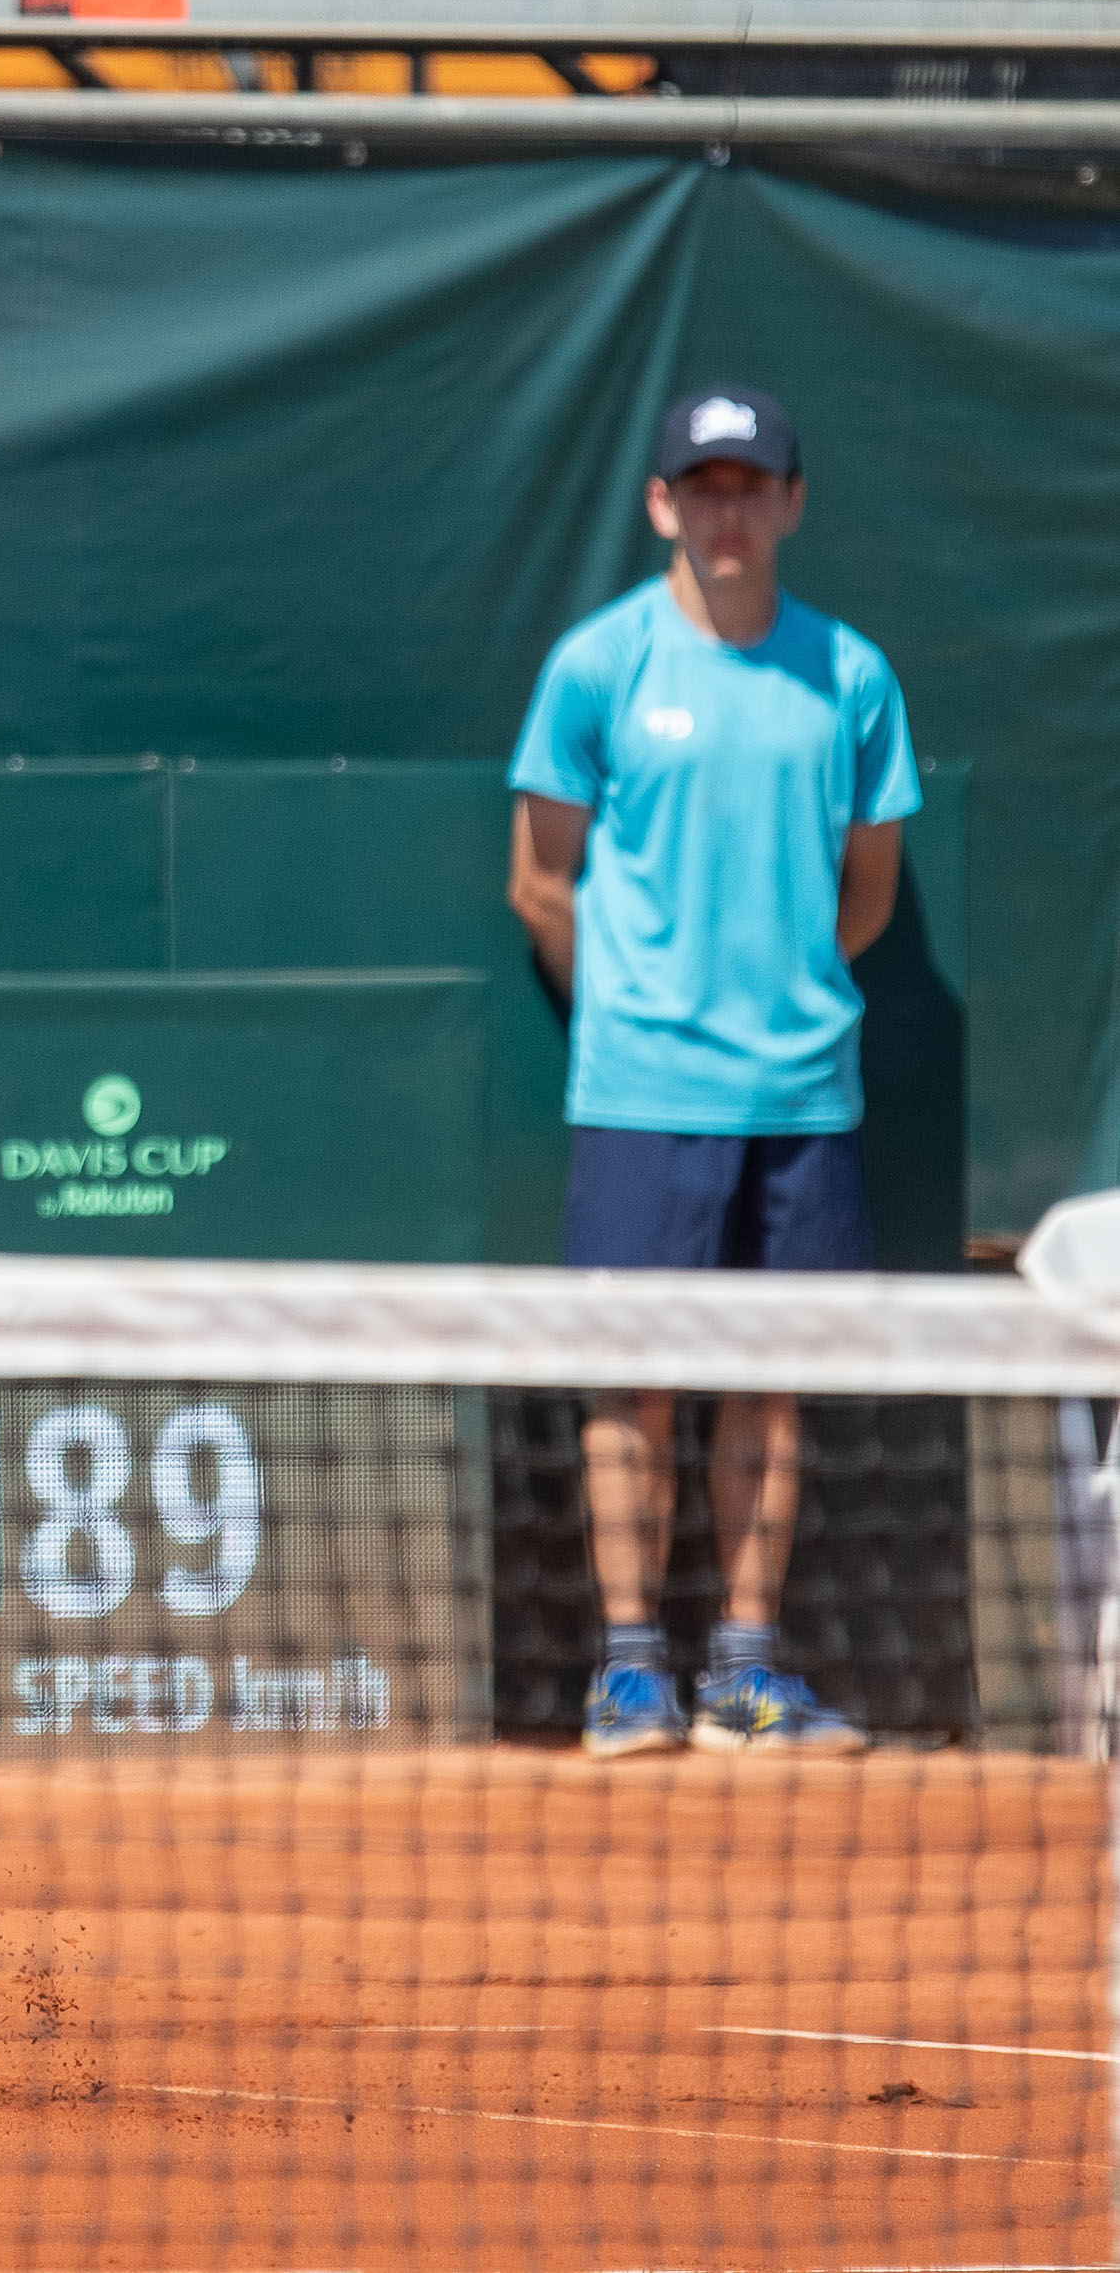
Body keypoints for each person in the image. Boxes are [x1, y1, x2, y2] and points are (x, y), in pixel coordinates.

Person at [505, 386, 917, 1763]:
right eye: (705, 485)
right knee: (632, 1384)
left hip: (804, 1096)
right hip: (637, 1094)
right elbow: (540, 881)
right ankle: (630, 1675)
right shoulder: (596, 666)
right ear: (662, 503)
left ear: (792, 503)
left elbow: (866, 896)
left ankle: (744, 1671)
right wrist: (641, 1012)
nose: (729, 510)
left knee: (769, 1382)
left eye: (755, 486)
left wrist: (782, 994)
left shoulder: (851, 677)